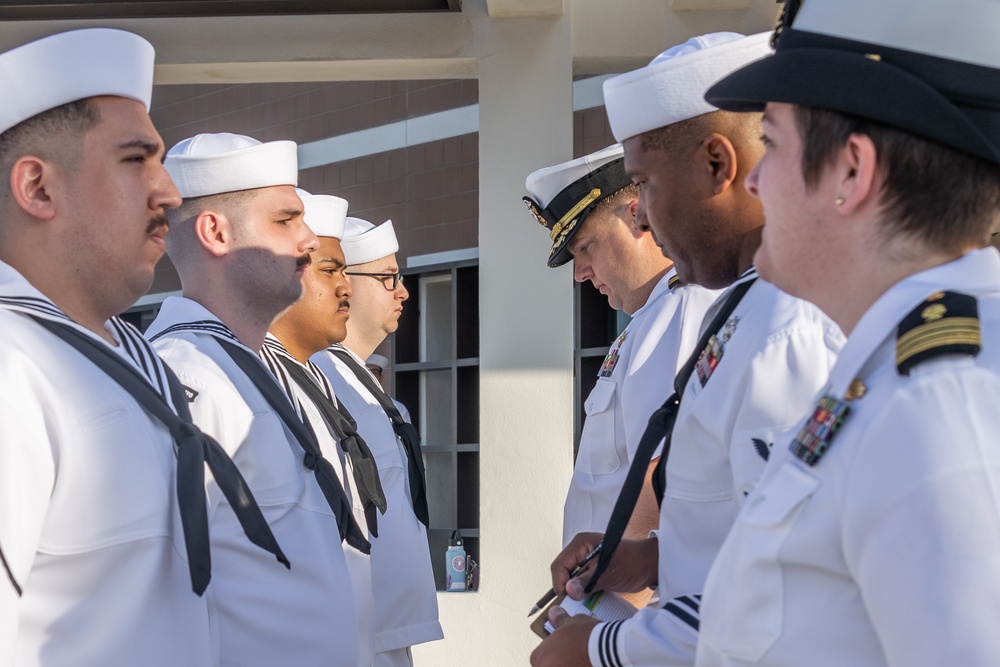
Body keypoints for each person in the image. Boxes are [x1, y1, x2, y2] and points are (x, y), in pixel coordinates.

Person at [692, 1, 1000, 664]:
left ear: (852, 172)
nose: (752, 179)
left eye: (771, 142)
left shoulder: (937, 403)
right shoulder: (895, 374)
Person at [532, 32, 845, 667]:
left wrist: (601, 648)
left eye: (644, 182)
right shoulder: (748, 307)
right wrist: (650, 557)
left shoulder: (791, 327)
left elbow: (789, 591)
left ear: (717, 164)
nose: (641, 217)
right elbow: (738, 533)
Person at [0, 28, 282, 667]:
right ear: (38, 188)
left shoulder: (133, 353)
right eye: (135, 160)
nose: (169, 193)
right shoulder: (11, 366)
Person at [146, 133, 370, 666]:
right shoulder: (183, 377)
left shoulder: (258, 367)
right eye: (286, 220)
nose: (311, 239)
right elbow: (160, 592)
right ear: (215, 231)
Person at [523, 144, 719, 553]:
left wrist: (602, 612)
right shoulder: (649, 320)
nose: (580, 273)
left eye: (585, 246)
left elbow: (658, 479)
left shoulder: (679, 309)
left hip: (625, 606)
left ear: (636, 217)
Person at [312, 216, 443, 667]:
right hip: (353, 633)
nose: (402, 291)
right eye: (388, 278)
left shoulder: (360, 381)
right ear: (345, 283)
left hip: (384, 628)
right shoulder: (323, 381)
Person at [365, 353, 412, 423]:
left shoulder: (398, 408)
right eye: (366, 372)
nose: (370, 376)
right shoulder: (351, 403)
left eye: (374, 373)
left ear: (380, 378)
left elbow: (405, 433)